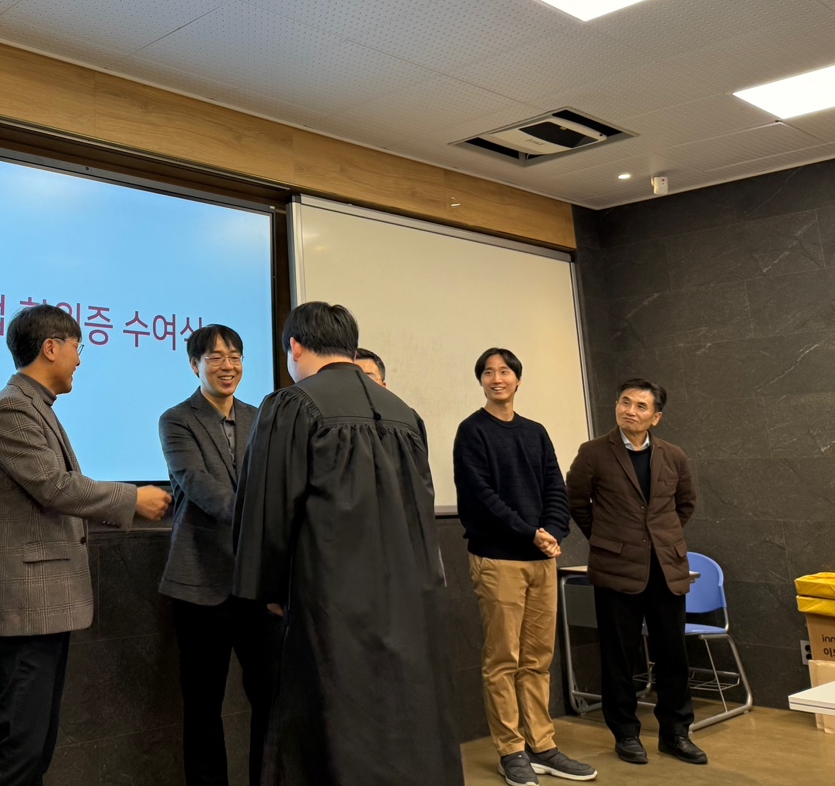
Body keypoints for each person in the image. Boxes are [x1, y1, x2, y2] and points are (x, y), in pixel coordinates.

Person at [232, 302, 461, 786]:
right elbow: (421, 510)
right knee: (404, 714)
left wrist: (268, 589)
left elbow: (270, 507)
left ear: (295, 347)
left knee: (334, 720)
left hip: (330, 601)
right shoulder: (405, 414)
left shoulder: (292, 404)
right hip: (408, 598)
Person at [0, 304, 171, 786]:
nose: (80, 360)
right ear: (51, 347)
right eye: (78, 348)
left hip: (43, 605)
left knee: (35, 749)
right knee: (20, 752)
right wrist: (132, 498)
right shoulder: (12, 408)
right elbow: (55, 486)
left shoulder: (35, 405)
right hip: (27, 607)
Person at [453, 349, 595, 785]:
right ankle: (511, 751)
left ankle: (543, 745)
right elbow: (481, 497)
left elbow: (555, 486)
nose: (497, 378)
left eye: (505, 371)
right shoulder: (472, 431)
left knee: (537, 659)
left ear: (518, 379)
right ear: (481, 381)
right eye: (488, 372)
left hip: (541, 560)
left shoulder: (535, 432)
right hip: (498, 559)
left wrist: (554, 531)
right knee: (503, 659)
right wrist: (530, 532)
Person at [158, 324, 278, 786]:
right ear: (195, 365)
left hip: (257, 584)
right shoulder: (176, 419)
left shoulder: (260, 417)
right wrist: (261, 516)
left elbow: (276, 482)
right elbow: (198, 483)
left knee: (271, 698)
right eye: (215, 357)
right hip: (200, 583)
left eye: (235, 357)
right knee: (203, 707)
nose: (228, 366)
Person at [566, 379, 703, 767]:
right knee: (619, 657)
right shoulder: (593, 452)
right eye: (625, 402)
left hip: (666, 569)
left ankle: (675, 733)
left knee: (673, 655)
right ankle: (625, 733)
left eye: (641, 406)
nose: (630, 410)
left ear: (656, 417)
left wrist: (660, 539)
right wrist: (607, 539)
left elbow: (685, 504)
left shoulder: (674, 455)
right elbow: (576, 502)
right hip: (616, 569)